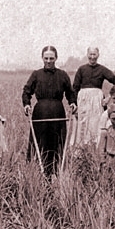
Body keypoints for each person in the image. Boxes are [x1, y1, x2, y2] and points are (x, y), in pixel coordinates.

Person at [22, 46, 77, 176]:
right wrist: (26, 105)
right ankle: (37, 172)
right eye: (46, 58)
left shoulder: (62, 75)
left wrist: (73, 103)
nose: (48, 61)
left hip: (58, 112)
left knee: (56, 142)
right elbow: (26, 92)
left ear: (56, 58)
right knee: (40, 142)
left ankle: (57, 172)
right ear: (42, 58)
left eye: (51, 58)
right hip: (40, 112)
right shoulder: (36, 74)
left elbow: (70, 92)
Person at [72, 47, 115, 146]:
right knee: (82, 128)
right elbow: (75, 88)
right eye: (90, 54)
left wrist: (109, 97)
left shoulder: (102, 69)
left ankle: (95, 153)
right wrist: (75, 105)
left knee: (96, 126)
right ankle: (80, 154)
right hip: (83, 102)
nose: (92, 57)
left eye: (94, 54)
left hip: (96, 102)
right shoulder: (81, 69)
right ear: (87, 55)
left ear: (98, 55)